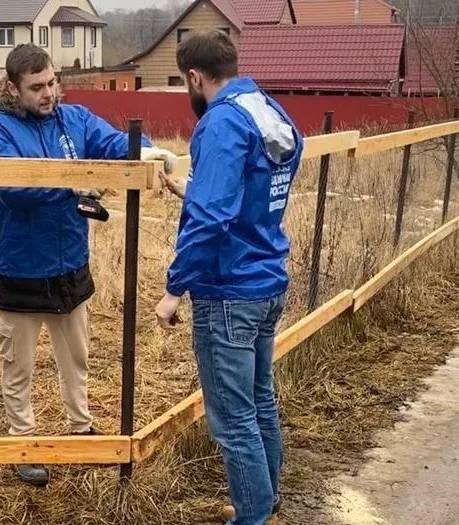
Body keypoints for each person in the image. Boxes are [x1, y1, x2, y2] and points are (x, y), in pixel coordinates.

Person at [0, 43, 178, 487]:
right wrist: (74, 182)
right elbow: (13, 188)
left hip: (70, 261)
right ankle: (23, 442)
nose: (48, 93)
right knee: (19, 365)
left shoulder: (76, 119)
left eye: (52, 82)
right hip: (23, 266)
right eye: (37, 87)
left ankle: (81, 427)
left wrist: (146, 152)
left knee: (77, 357)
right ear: (14, 88)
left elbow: (113, 143)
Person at [154, 30, 303, 525]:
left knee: (233, 420)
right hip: (265, 279)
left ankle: (252, 516)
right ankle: (264, 500)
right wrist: (192, 192)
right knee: (260, 400)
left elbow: (213, 220)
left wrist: (174, 290)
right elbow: (244, 198)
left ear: (194, 76)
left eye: (184, 82)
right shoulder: (268, 111)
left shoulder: (221, 124)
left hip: (228, 290)